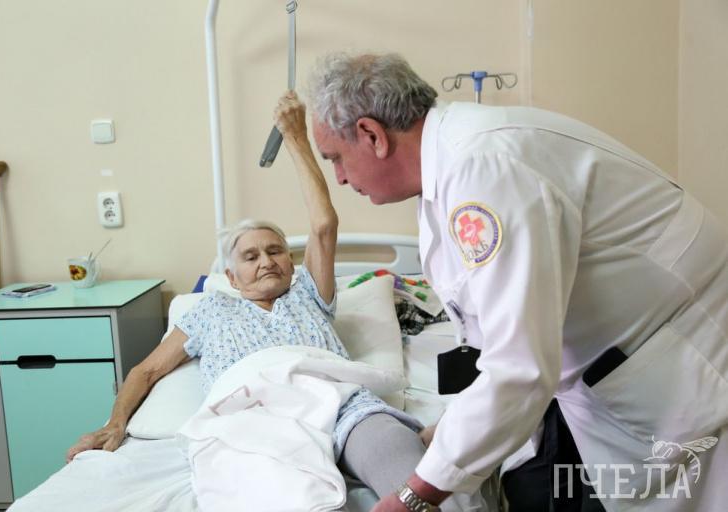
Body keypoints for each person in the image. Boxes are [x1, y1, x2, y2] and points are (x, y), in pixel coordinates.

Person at [304, 52, 728, 512]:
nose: (340, 178)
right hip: (608, 366)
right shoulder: (446, 173)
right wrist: (450, 433)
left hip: (679, 353)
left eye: (335, 159)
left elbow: (517, 364)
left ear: (371, 134)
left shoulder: (483, 167)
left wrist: (413, 497)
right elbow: (495, 329)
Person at [66, 92, 436, 506]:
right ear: (231, 276)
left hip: (339, 406)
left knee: (409, 477)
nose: (267, 261)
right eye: (251, 256)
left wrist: (295, 138)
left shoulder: (308, 292)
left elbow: (323, 224)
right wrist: (116, 423)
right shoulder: (210, 310)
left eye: (276, 251)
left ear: (291, 264)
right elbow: (146, 371)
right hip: (249, 420)